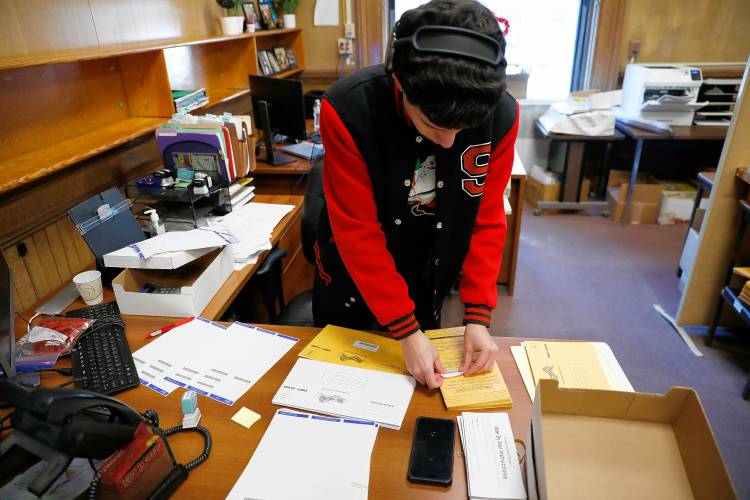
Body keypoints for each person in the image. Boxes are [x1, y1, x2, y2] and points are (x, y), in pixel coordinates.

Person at [313, 0, 519, 389]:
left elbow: (487, 217)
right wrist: (406, 331)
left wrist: (477, 315)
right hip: (353, 277)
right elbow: (356, 231)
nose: (448, 143)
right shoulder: (349, 109)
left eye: (463, 129)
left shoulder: (502, 115)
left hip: (428, 265)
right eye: (432, 124)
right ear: (399, 81)